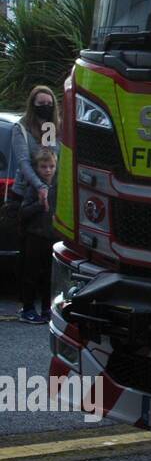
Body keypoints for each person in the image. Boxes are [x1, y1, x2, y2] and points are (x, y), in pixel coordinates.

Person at [7, 86, 60, 322]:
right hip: (27, 194)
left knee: (49, 262)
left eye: (49, 103)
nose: (45, 107)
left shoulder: (53, 127)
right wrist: (40, 186)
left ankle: (47, 307)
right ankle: (26, 306)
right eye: (40, 103)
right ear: (32, 104)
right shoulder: (22, 128)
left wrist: (52, 185)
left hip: (52, 195)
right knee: (27, 259)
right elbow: (24, 162)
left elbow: (53, 156)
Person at [18, 147, 57, 323]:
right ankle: (27, 308)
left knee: (49, 276)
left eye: (51, 166)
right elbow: (23, 212)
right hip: (35, 236)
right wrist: (40, 205)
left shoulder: (57, 187)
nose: (48, 170)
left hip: (52, 236)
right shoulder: (34, 188)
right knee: (31, 275)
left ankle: (47, 309)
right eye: (43, 167)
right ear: (37, 168)